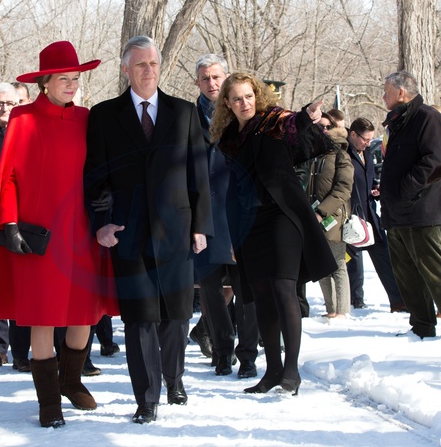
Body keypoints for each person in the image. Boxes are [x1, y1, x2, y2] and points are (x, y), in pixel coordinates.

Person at [0, 41, 119, 428]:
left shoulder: (86, 118)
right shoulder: (23, 118)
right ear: (44, 81)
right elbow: (9, 176)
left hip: (81, 232)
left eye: (75, 78)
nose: (71, 84)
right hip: (38, 235)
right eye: (64, 78)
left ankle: (71, 381)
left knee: (83, 314)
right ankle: (48, 400)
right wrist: (9, 222)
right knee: (42, 316)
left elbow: (101, 169)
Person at [84, 35, 213, 424]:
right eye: (140, 64)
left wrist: (201, 225)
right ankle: (146, 398)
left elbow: (199, 174)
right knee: (139, 316)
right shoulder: (104, 115)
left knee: (176, 314)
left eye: (153, 64)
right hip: (128, 231)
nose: (148, 71)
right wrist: (101, 223)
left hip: (177, 229)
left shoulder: (184, 112)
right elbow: (96, 176)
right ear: (126, 69)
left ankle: (174, 379)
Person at [210, 72, 337, 396]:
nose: (244, 103)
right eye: (237, 99)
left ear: (257, 96)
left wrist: (307, 115)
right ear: (227, 104)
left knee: (283, 288)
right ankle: (272, 371)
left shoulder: (273, 121)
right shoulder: (229, 138)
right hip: (249, 222)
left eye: (249, 96)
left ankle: (291, 372)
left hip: (282, 215)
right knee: (261, 295)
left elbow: (293, 124)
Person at [192, 53, 259, 378]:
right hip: (204, 216)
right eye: (205, 78)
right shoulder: (187, 117)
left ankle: (247, 356)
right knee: (210, 291)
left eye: (216, 76)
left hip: (239, 215)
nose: (211, 83)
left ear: (226, 77)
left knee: (246, 290)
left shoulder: (244, 114)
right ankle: (221, 352)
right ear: (197, 82)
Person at [379, 71, 441, 339]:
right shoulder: (397, 122)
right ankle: (421, 327)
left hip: (422, 212)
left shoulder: (427, 117)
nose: (383, 96)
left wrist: (405, 190)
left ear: (401, 93)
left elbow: (435, 160)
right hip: (397, 214)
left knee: (434, 272)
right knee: (407, 275)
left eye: (386, 92)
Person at [0, 83, 32, 372]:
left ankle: (21, 352)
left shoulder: (28, 135)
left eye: (10, 103)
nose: (4, 109)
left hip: (22, 222)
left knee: (21, 286)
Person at [345, 117, 405, 312]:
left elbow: (369, 179)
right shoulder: (343, 153)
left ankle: (398, 300)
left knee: (384, 256)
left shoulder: (368, 152)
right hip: (351, 216)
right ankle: (356, 300)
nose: (368, 143)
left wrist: (376, 188)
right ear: (353, 134)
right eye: (365, 139)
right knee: (353, 260)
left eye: (371, 139)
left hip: (371, 213)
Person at [305, 113, 353, 318]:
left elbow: (344, 188)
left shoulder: (340, 153)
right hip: (312, 216)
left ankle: (342, 310)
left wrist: (322, 211)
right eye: (318, 127)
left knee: (338, 263)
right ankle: (331, 308)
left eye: (326, 127)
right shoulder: (313, 153)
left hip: (333, 216)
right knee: (321, 265)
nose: (322, 130)